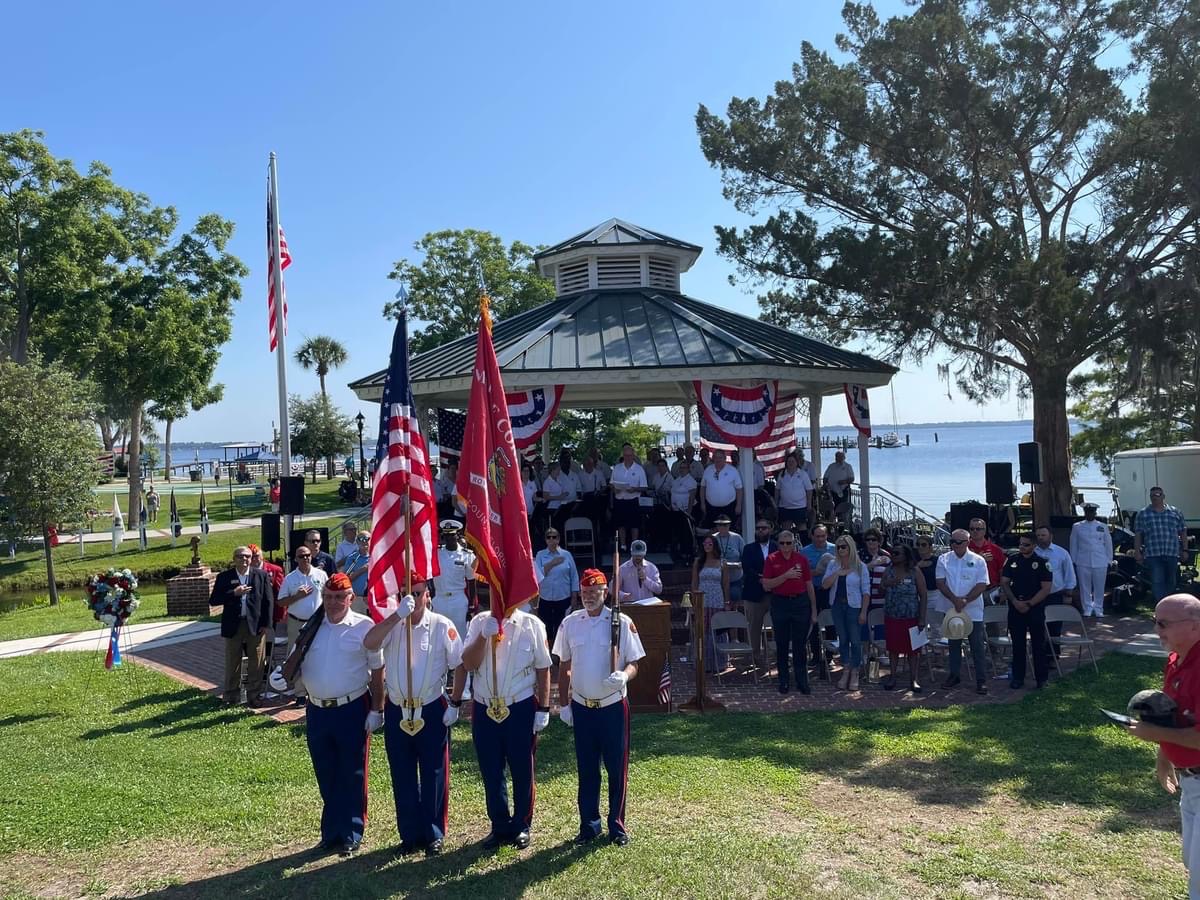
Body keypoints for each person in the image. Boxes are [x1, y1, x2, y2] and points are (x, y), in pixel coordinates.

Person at [363, 575, 463, 857]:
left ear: (429, 595)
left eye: (418, 593)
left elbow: (459, 664)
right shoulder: (393, 625)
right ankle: (409, 833)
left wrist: (455, 702)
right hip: (398, 708)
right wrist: (396, 615)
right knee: (402, 774)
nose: (414, 599)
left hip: (430, 707)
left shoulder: (442, 626)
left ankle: (433, 833)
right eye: (406, 593)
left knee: (434, 773)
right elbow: (370, 643)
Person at [296, 573, 385, 858]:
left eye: (339, 597)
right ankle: (331, 831)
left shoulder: (364, 627)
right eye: (329, 597)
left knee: (353, 772)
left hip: (352, 707)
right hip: (317, 709)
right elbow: (298, 660)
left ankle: (352, 831)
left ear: (350, 598)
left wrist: (377, 709)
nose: (333, 603)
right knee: (326, 771)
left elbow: (378, 671)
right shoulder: (313, 626)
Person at [555, 569, 645, 846]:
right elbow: (564, 665)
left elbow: (635, 663)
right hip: (582, 707)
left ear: (605, 593)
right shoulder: (570, 623)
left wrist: (624, 675)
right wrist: (563, 704)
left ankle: (617, 825)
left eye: (594, 593)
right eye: (585, 593)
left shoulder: (620, 622)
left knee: (616, 768)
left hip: (612, 707)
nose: (589, 597)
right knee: (587, 769)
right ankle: (589, 825)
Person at [456, 599, 553, 851]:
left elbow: (543, 668)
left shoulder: (531, 624)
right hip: (484, 706)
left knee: (522, 767)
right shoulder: (479, 621)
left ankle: (521, 824)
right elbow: (467, 663)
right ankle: (499, 824)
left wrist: (543, 708)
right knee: (491, 769)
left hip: (518, 705)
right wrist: (482, 637)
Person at [1127, 593, 1200, 899]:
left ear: (1195, 626)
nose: (1157, 630)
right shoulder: (1175, 661)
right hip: (1190, 781)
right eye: (1155, 622)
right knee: (1190, 861)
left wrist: (1153, 732)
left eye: (1164, 624)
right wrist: (1163, 757)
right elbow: (1172, 718)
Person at [211, 546, 275, 706]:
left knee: (257, 662)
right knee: (233, 661)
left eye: (247, 556)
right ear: (234, 559)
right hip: (234, 625)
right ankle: (231, 696)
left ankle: (254, 695)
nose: (244, 559)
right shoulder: (224, 577)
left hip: (255, 625)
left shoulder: (260, 575)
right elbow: (214, 600)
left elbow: (268, 601)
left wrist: (266, 624)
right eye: (240, 557)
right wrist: (234, 593)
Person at [760, 529, 817, 695]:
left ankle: (802, 681)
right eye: (782, 543)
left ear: (794, 544)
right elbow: (766, 584)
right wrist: (786, 576)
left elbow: (809, 585)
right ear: (778, 543)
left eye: (789, 543)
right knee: (782, 644)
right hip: (780, 603)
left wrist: (813, 609)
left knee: (800, 645)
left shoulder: (801, 559)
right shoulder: (771, 559)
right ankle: (783, 680)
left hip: (800, 603)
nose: (785, 546)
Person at [936, 529, 990, 694]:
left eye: (959, 542)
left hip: (973, 610)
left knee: (977, 645)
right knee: (954, 643)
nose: (955, 545)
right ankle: (954, 675)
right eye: (953, 541)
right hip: (951, 608)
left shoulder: (978, 560)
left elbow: (982, 584)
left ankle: (981, 680)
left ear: (968, 542)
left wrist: (965, 600)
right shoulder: (943, 559)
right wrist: (955, 600)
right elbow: (940, 582)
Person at [999, 534, 1053, 690]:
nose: (1022, 547)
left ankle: (1041, 679)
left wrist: (1029, 604)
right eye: (1021, 544)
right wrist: (1015, 601)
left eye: (1026, 545)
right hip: (1015, 607)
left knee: (1038, 645)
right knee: (1018, 645)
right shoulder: (1012, 560)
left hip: (1034, 608)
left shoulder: (1042, 563)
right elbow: (1005, 583)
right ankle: (1018, 678)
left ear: (1034, 546)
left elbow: (1046, 588)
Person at [278, 545, 329, 705]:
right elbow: (281, 602)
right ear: (295, 559)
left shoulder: (321, 574)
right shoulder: (290, 578)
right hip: (297, 622)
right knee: (297, 656)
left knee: (320, 654)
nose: (305, 558)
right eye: (301, 556)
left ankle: (317, 689)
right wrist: (297, 596)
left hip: (317, 622)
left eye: (307, 555)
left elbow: (328, 595)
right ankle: (300, 693)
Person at [822, 535, 870, 690]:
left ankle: (855, 670)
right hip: (837, 605)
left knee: (855, 640)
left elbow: (866, 591)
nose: (841, 550)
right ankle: (846, 668)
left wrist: (863, 612)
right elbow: (824, 585)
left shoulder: (860, 566)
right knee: (843, 638)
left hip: (854, 606)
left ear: (851, 548)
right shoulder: (832, 564)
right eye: (838, 547)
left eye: (844, 547)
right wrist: (837, 573)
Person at [881, 545, 927, 693]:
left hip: (912, 617)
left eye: (897, 553)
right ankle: (893, 677)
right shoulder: (888, 570)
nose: (893, 555)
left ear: (905, 556)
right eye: (892, 553)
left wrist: (921, 618)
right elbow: (880, 589)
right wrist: (888, 583)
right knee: (893, 649)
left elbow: (923, 595)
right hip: (892, 616)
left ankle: (914, 679)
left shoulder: (915, 571)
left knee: (913, 651)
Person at [1135, 487, 1189, 602]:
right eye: (1152, 495)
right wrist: (1137, 552)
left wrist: (1185, 550)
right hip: (1153, 553)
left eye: (1157, 495)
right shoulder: (1143, 514)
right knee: (1157, 580)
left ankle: (1168, 603)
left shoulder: (1175, 512)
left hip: (1172, 552)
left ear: (1163, 496)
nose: (1155, 497)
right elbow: (1138, 534)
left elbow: (1183, 532)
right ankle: (1161, 605)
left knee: (1172, 580)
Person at [533, 527, 580, 654]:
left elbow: (574, 576)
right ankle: (547, 654)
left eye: (554, 537)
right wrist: (552, 563)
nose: (552, 539)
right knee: (546, 627)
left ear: (558, 539)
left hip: (563, 597)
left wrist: (574, 596)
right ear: (545, 540)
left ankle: (560, 654)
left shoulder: (566, 555)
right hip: (545, 598)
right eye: (549, 537)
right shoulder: (540, 555)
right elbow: (537, 575)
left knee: (562, 626)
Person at [1034, 525, 1078, 661]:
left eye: (1043, 535)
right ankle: (1039, 656)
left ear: (1050, 536)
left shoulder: (1061, 553)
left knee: (1054, 628)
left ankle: (1053, 657)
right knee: (1037, 627)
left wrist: (1068, 593)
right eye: (1039, 536)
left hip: (1055, 595)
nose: (1041, 538)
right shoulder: (1032, 553)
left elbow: (1069, 574)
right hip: (1036, 596)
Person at [741, 519, 778, 670]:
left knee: (777, 625)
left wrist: (771, 582)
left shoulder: (778, 546)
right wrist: (762, 580)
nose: (761, 531)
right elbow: (747, 568)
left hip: (775, 592)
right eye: (758, 528)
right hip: (754, 593)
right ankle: (754, 657)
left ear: (770, 529)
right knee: (754, 627)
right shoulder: (749, 548)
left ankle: (775, 655)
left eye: (764, 528)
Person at [432, 520, 476, 637]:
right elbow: (430, 576)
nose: (448, 538)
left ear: (457, 535)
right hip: (439, 598)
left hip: (458, 600)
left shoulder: (467, 555)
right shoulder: (437, 553)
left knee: (459, 635)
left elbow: (471, 582)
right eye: (446, 535)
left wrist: (472, 606)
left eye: (451, 535)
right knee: (438, 635)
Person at [692, 535, 729, 672]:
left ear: (715, 546)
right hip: (703, 600)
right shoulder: (698, 562)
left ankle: (719, 663)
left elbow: (725, 584)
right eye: (705, 544)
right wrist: (694, 600)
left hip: (717, 599)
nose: (707, 546)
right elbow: (695, 582)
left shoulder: (722, 563)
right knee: (703, 630)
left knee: (717, 631)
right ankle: (703, 663)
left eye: (710, 544)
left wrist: (727, 602)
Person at [1071, 502, 1113, 617]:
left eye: (1092, 512)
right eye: (1087, 512)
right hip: (1083, 560)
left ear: (1095, 513)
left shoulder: (1102, 526)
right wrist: (1074, 560)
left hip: (1100, 560)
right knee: (1085, 587)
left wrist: (1109, 560)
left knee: (1099, 586)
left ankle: (1099, 608)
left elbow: (1108, 544)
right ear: (1084, 513)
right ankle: (1087, 608)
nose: (1090, 514)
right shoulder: (1077, 526)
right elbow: (1073, 544)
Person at [610, 443, 648, 551]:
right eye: (625, 455)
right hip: (619, 499)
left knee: (634, 524)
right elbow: (611, 483)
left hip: (633, 499)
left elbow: (644, 487)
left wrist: (634, 489)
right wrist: (614, 489)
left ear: (633, 456)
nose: (628, 458)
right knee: (621, 524)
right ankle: (623, 544)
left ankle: (634, 544)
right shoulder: (617, 468)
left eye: (630, 455)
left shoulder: (639, 469)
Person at [860, 528, 891, 644]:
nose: (871, 542)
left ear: (879, 541)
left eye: (874, 539)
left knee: (880, 630)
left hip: (880, 598)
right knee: (863, 629)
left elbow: (890, 576)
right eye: (868, 540)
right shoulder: (859, 555)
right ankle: (865, 655)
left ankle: (881, 655)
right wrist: (871, 564)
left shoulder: (886, 556)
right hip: (863, 598)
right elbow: (855, 572)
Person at [775, 453, 814, 541]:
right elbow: (777, 490)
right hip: (785, 507)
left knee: (802, 529)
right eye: (789, 461)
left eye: (793, 461)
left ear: (797, 462)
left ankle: (804, 548)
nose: (791, 463)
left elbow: (809, 490)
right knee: (785, 530)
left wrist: (809, 504)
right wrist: (776, 503)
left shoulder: (803, 474)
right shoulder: (782, 474)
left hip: (800, 507)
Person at [700, 449, 743, 527]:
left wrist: (739, 505)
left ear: (725, 458)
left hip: (729, 508)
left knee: (729, 530)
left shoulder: (732, 470)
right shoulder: (708, 470)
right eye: (716, 457)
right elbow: (703, 487)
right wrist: (703, 504)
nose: (718, 459)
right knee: (712, 531)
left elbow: (739, 489)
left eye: (720, 457)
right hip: (711, 508)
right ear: (713, 458)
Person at [967, 518, 1006, 603]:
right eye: (972, 529)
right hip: (969, 591)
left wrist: (1003, 591)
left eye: (978, 529)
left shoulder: (996, 549)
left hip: (991, 591)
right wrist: (979, 559)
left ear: (984, 531)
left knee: (992, 616)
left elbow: (1003, 572)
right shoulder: (964, 548)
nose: (975, 531)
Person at [249, 543, 286, 628]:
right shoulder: (245, 570)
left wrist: (280, 613)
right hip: (251, 612)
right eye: (251, 557)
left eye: (256, 556)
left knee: (269, 639)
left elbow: (279, 592)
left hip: (269, 613)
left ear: (262, 556)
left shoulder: (275, 570)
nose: (254, 559)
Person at [712, 514, 745, 605]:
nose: (722, 527)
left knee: (734, 595)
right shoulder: (713, 539)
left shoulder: (737, 538)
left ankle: (734, 613)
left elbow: (744, 557)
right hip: (718, 578)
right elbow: (710, 559)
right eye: (720, 525)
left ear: (729, 525)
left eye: (725, 525)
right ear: (717, 526)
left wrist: (740, 565)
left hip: (735, 578)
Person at [618, 540, 662, 604]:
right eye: (635, 555)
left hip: (648, 606)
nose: (638, 557)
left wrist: (645, 579)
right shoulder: (622, 569)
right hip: (630, 606)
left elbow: (658, 590)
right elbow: (612, 590)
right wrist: (623, 595)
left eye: (640, 555)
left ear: (644, 553)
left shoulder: (652, 568)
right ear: (631, 553)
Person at [340, 532, 371, 614]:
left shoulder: (376, 556)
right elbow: (345, 579)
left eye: (367, 539)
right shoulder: (352, 558)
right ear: (357, 542)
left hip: (372, 598)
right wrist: (362, 570)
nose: (364, 541)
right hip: (357, 599)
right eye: (361, 539)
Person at [822, 451, 855, 530]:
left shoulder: (848, 466)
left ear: (844, 458)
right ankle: (830, 528)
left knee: (843, 511)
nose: (838, 458)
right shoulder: (831, 466)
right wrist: (825, 485)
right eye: (837, 457)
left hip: (843, 491)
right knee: (831, 510)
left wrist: (844, 482)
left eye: (840, 457)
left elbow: (852, 478)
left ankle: (843, 529)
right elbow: (825, 478)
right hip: (831, 492)